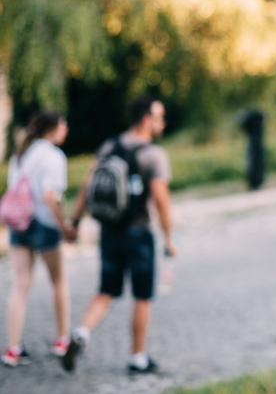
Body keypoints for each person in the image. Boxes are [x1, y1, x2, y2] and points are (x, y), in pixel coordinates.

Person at [62, 96, 176, 375]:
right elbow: (161, 200)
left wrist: (75, 222)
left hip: (109, 232)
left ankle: (82, 332)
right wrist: (169, 238)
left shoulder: (108, 146)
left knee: (106, 291)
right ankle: (137, 357)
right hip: (139, 232)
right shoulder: (152, 154)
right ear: (147, 119)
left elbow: (88, 187)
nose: (162, 122)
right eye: (159, 116)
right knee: (142, 296)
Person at [3, 111, 73, 367]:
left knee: (20, 285)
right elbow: (49, 197)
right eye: (64, 126)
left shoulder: (20, 154)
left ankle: (13, 348)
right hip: (44, 223)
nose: (66, 130)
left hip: (18, 223)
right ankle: (62, 340)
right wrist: (63, 226)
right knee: (58, 281)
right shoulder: (54, 156)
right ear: (53, 128)